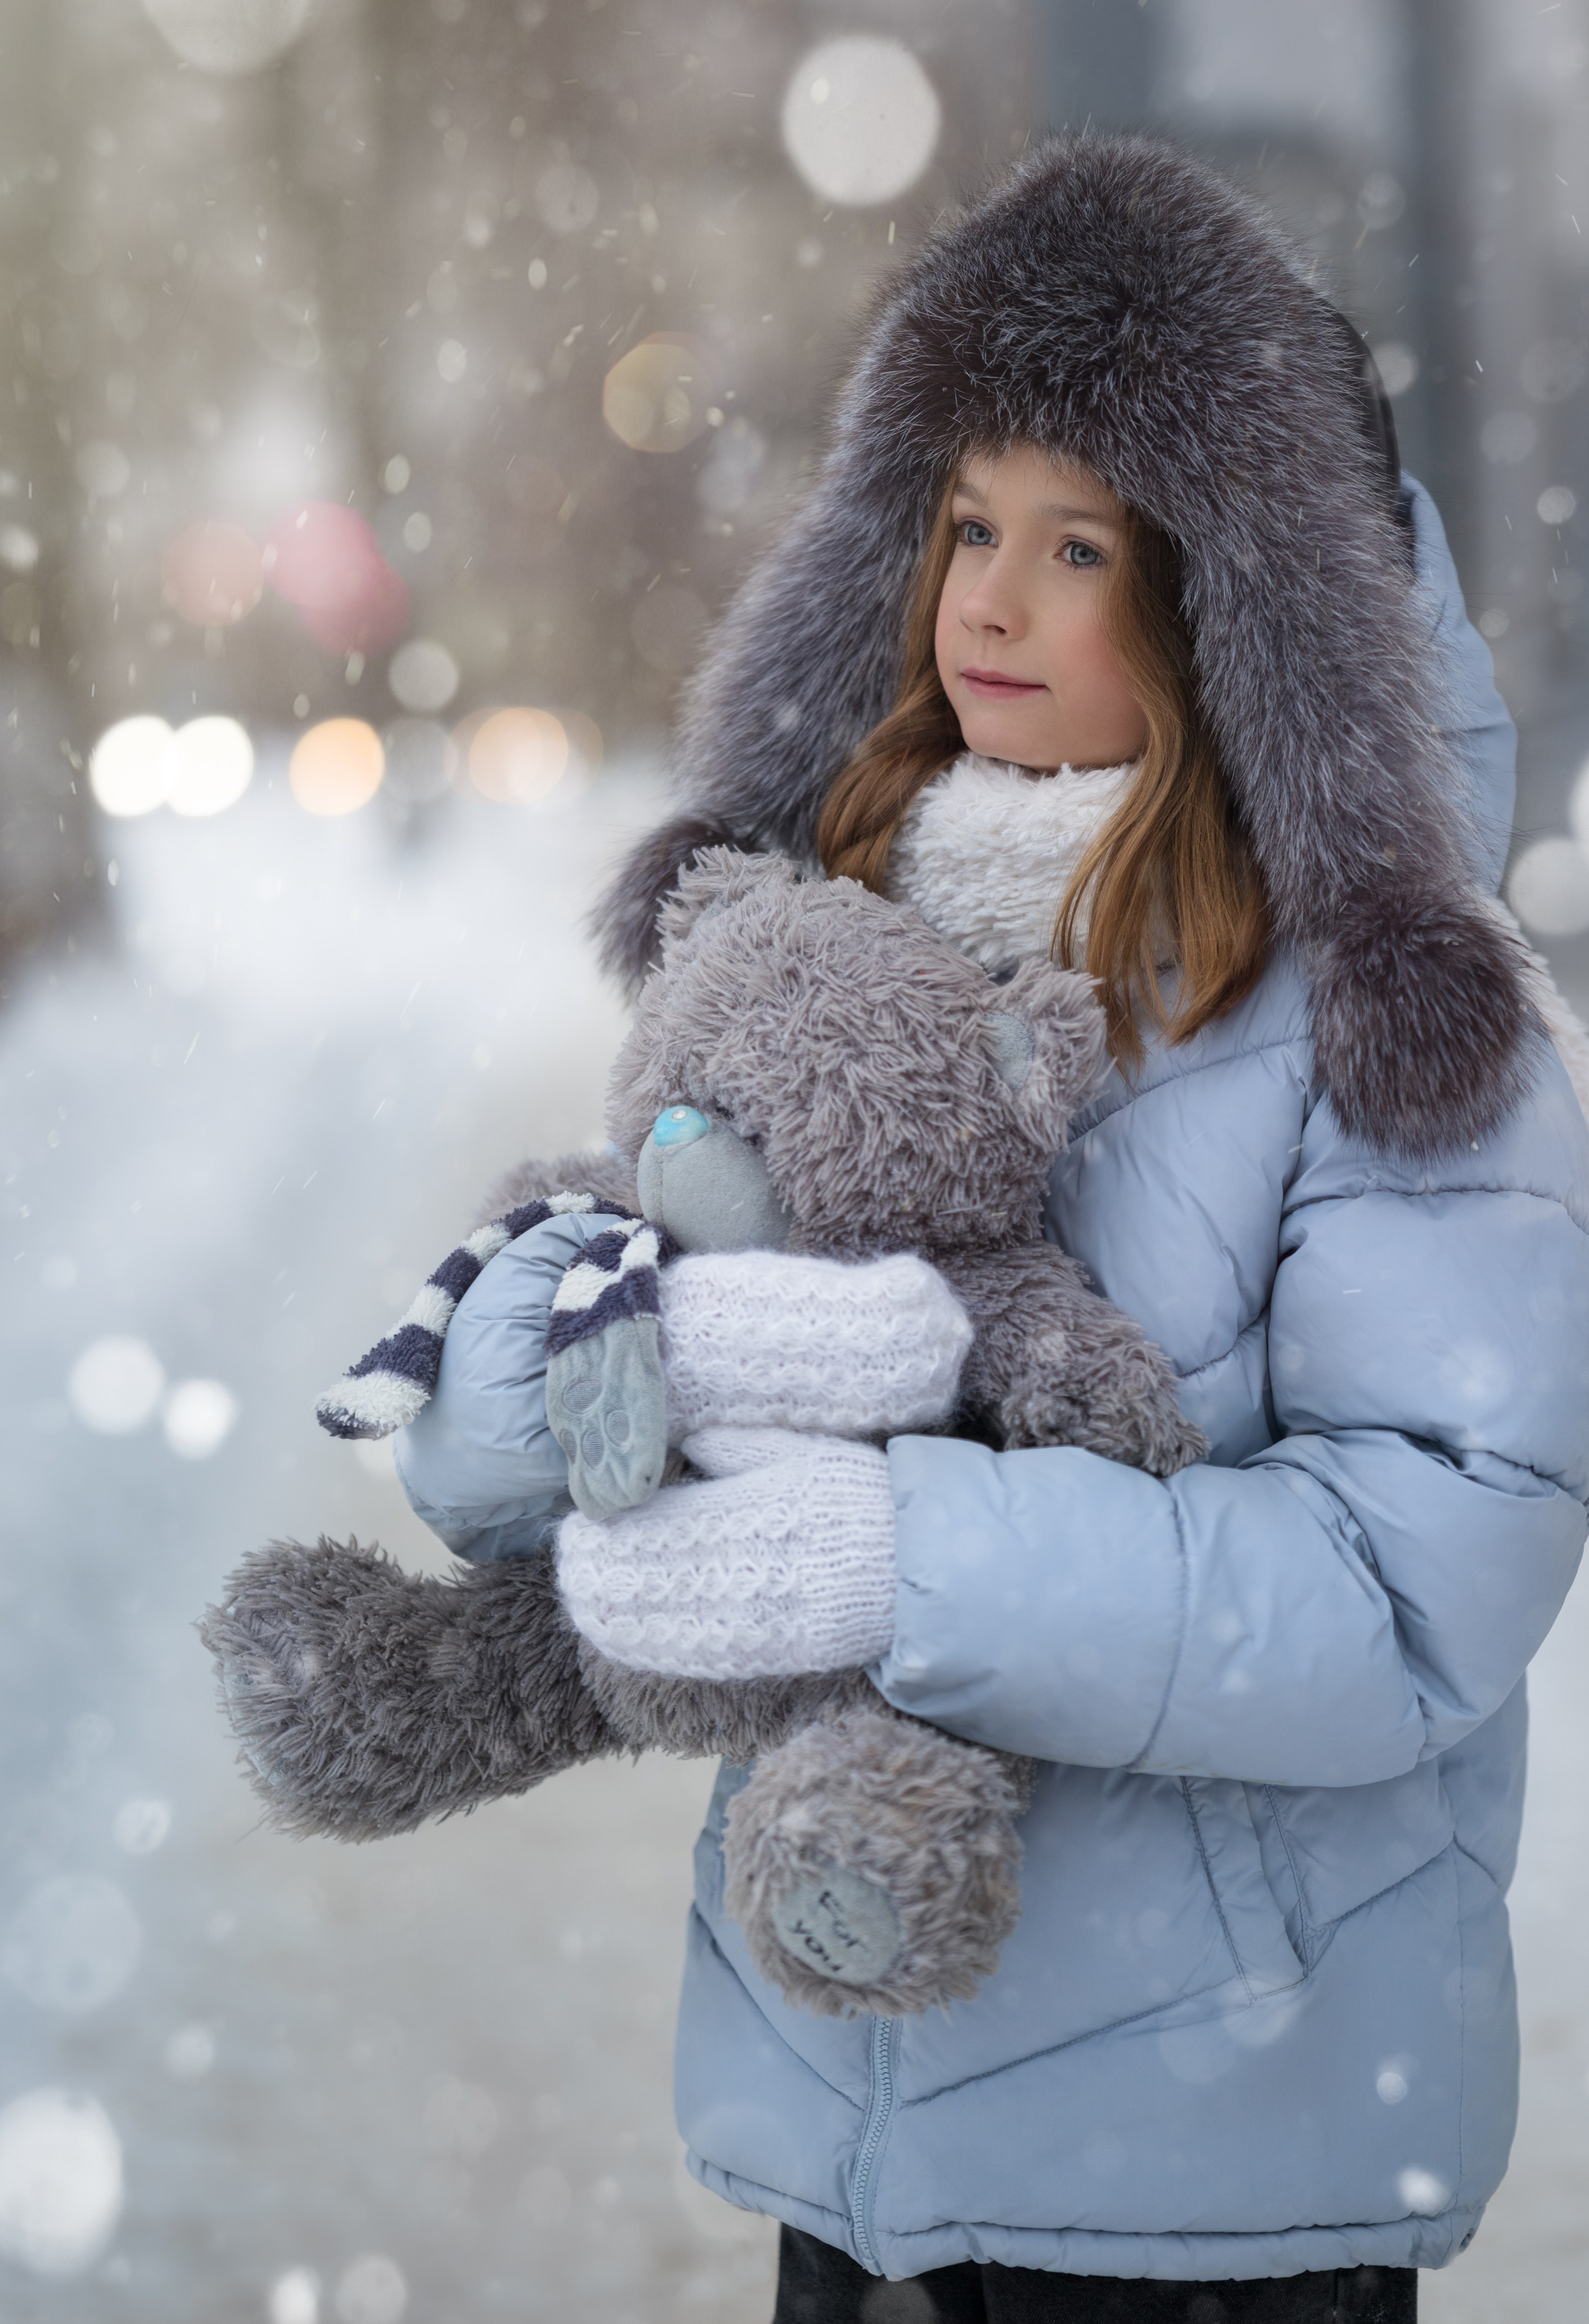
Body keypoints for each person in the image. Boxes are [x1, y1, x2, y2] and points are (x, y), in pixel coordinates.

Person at [396, 136, 1589, 2319]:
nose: (991, 601)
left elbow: (1420, 1580)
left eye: (1077, 544)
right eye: (963, 525)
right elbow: (682, 1306)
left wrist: (905, 1560)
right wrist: (530, 1385)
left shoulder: (1402, 1029)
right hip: (859, 2114)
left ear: (1250, 599)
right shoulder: (829, 931)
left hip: (1217, 2162)